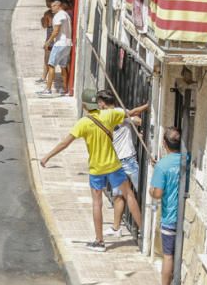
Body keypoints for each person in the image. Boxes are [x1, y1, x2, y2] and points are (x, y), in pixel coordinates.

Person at [39, 88, 143, 252]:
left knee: (97, 203)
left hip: (96, 168)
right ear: (98, 103)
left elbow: (65, 143)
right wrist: (147, 106)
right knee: (129, 194)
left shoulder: (83, 123)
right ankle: (143, 232)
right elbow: (132, 113)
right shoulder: (109, 115)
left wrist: (47, 156)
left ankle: (99, 242)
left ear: (85, 105)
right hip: (113, 164)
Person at [149, 128, 183, 285]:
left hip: (170, 217)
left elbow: (157, 193)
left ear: (164, 143)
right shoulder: (187, 159)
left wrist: (151, 189)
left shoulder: (162, 166)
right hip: (183, 217)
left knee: (168, 256)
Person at [109, 102, 150, 236]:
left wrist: (136, 123)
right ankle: (116, 228)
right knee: (118, 195)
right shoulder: (111, 117)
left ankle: (145, 228)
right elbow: (135, 116)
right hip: (117, 162)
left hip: (127, 160)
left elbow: (137, 120)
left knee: (143, 193)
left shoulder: (117, 115)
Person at [40, 0, 71, 96]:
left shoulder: (58, 16)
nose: (52, 8)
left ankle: (48, 89)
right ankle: (65, 88)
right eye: (51, 6)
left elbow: (56, 31)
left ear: (59, 6)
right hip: (67, 44)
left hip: (59, 44)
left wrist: (48, 42)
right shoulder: (66, 15)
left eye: (54, 6)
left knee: (51, 65)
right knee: (63, 66)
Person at [37, 0, 56, 84]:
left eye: (47, 1)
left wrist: (42, 19)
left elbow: (45, 25)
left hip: (50, 38)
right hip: (58, 38)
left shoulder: (47, 13)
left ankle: (44, 77)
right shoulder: (59, 12)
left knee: (47, 60)